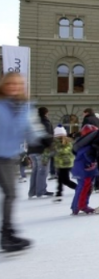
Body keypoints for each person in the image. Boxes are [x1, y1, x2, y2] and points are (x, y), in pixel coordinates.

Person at [0, 72, 49, 251]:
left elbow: (31, 129)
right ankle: (7, 234)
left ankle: (7, 234)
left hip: (8, 157)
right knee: (10, 194)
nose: (14, 87)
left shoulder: (25, 107)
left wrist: (44, 138)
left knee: (11, 194)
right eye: (10, 84)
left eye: (18, 84)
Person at [71, 125, 99, 215]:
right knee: (85, 187)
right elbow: (87, 155)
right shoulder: (89, 145)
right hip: (86, 169)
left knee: (82, 187)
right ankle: (82, 205)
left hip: (81, 168)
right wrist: (93, 162)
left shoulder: (82, 143)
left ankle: (75, 206)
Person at [27, 106, 53, 198]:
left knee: (35, 171)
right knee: (42, 171)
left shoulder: (33, 123)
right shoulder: (46, 122)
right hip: (42, 151)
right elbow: (47, 137)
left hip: (32, 150)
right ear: (46, 113)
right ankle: (40, 191)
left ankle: (32, 191)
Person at [52, 126, 76, 203]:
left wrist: (58, 149)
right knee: (59, 179)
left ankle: (79, 188)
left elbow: (66, 150)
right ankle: (59, 193)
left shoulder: (67, 141)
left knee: (65, 180)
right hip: (59, 163)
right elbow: (48, 150)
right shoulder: (55, 142)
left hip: (66, 163)